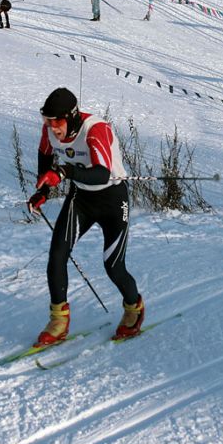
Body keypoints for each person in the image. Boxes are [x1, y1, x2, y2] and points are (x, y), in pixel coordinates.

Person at [27, 87, 144, 346]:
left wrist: (63, 172)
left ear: (72, 116)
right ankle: (58, 321)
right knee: (57, 255)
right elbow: (45, 155)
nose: (52, 127)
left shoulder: (95, 129)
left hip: (113, 199)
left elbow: (101, 174)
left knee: (113, 266)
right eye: (47, 120)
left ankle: (134, 307)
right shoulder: (50, 131)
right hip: (81, 198)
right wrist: (43, 191)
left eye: (57, 121)